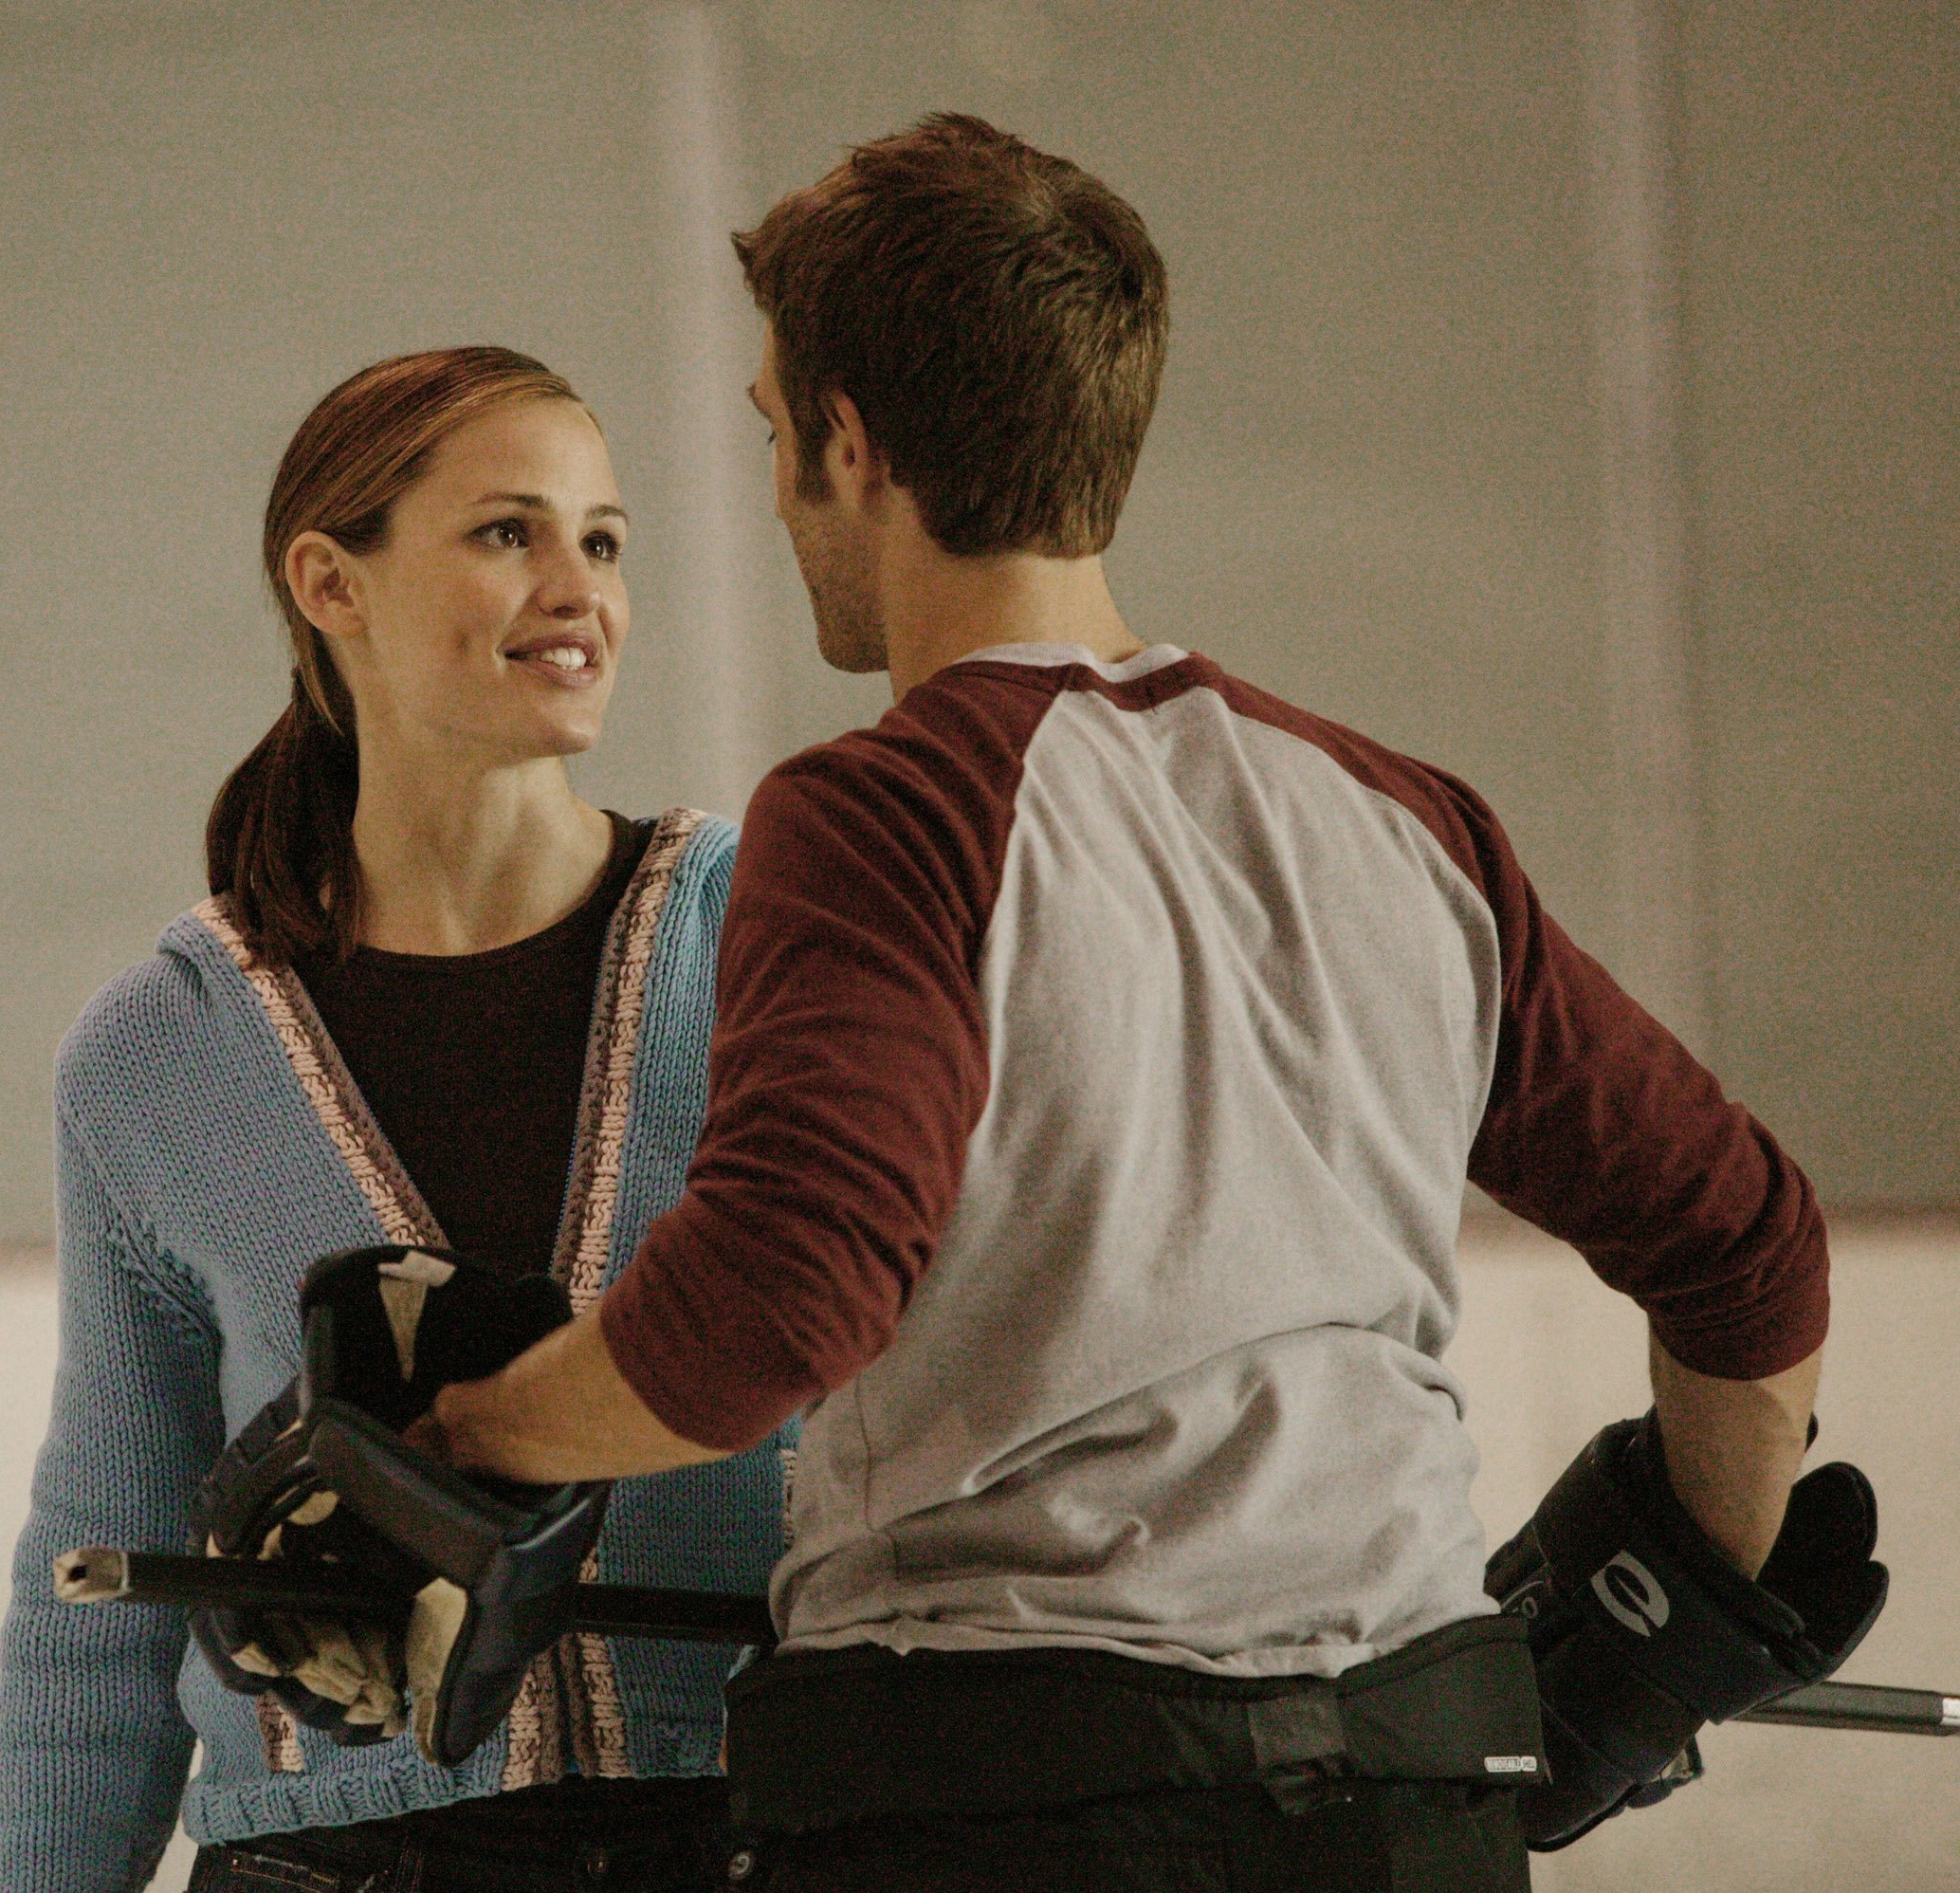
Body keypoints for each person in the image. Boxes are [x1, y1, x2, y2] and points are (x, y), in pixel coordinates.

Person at [413, 117, 1834, 1891]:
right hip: (1419, 1796)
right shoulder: (1401, 819)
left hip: (1014, 1805)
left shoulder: (886, 813)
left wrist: (461, 1442)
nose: (784, 495)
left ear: (855, 445)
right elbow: (1752, 1255)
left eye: (783, 438)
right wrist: (1673, 1613)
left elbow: (771, 1304)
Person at [0, 346, 790, 1893]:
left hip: (751, 1838)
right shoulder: (161, 1056)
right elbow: (97, 1578)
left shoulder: (766, 946)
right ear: (330, 584)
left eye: (603, 541)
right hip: (328, 1867)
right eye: (509, 534)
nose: (578, 588)